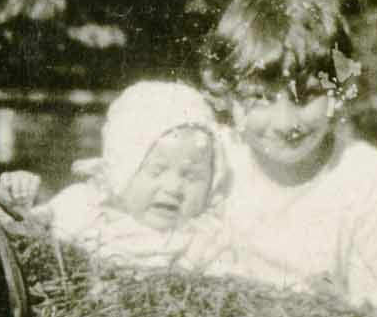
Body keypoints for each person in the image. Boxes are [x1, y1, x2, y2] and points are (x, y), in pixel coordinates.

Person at [196, 0, 377, 311]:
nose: (286, 123)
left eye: (309, 95)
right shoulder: (209, 158)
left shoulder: (369, 179)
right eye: (259, 97)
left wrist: (339, 308)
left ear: (339, 91)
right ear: (228, 96)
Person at [28, 79, 230, 269]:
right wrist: (19, 202)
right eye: (156, 171)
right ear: (120, 170)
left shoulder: (205, 238)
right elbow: (30, 234)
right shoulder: (86, 207)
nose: (174, 187)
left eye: (191, 176)